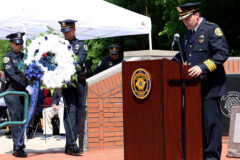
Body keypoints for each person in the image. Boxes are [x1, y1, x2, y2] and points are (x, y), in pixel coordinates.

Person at [172, 2, 229, 160]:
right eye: (182, 19)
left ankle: (211, 157)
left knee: (211, 125)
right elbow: (182, 55)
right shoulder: (189, 33)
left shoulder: (211, 29)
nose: (185, 22)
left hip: (210, 87)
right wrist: (166, 64)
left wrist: (203, 67)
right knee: (197, 124)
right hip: (193, 88)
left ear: (196, 15)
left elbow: (222, 53)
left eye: (187, 18)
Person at [58, 19, 88, 156]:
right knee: (70, 111)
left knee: (77, 113)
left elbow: (79, 60)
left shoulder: (81, 45)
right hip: (68, 83)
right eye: (64, 31)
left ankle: (70, 144)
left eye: (68, 31)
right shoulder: (59, 46)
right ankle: (71, 144)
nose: (65, 34)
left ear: (74, 29)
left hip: (80, 82)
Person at [3, 32, 34, 157]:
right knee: (16, 119)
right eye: (17, 43)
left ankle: (20, 144)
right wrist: (25, 85)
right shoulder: (7, 57)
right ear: (11, 43)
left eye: (21, 43)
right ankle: (17, 147)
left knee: (23, 119)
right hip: (13, 91)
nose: (19, 45)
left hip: (23, 93)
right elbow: (12, 75)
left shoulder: (25, 57)